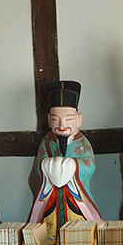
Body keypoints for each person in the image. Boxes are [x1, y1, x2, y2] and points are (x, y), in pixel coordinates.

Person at [28, 80, 102, 227]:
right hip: (52, 197)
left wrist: (72, 165)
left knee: (80, 226)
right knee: (49, 226)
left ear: (79, 119)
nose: (62, 125)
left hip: (75, 196)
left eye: (69, 119)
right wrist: (48, 164)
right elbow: (38, 165)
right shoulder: (47, 142)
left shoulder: (82, 142)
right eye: (55, 119)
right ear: (49, 120)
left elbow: (90, 165)